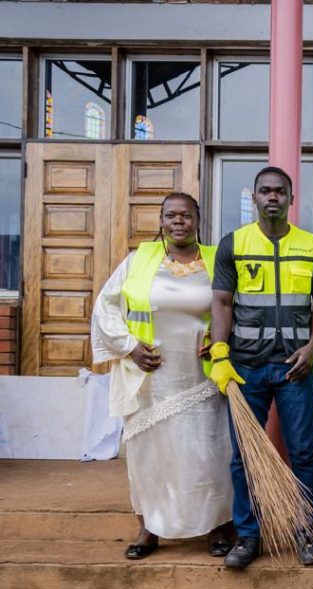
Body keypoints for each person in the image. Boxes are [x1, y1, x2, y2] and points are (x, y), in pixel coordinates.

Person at [91, 192, 233, 560]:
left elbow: (239, 305)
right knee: (150, 455)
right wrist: (127, 346)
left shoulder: (218, 259)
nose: (179, 221)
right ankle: (149, 527)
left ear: (198, 220)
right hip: (150, 378)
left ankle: (217, 525)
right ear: (161, 221)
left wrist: (221, 340)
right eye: (171, 215)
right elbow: (105, 307)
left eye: (186, 215)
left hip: (201, 378)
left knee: (208, 452)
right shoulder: (138, 261)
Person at [209, 166, 313, 570]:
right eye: (265, 191)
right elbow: (222, 303)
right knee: (243, 456)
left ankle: (305, 531)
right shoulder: (234, 244)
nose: (273, 197)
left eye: (281, 191)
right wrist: (221, 354)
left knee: (302, 453)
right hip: (247, 366)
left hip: (295, 367)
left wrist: (312, 349)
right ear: (255, 198)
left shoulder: (311, 246)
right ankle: (249, 537)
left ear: (292, 199)